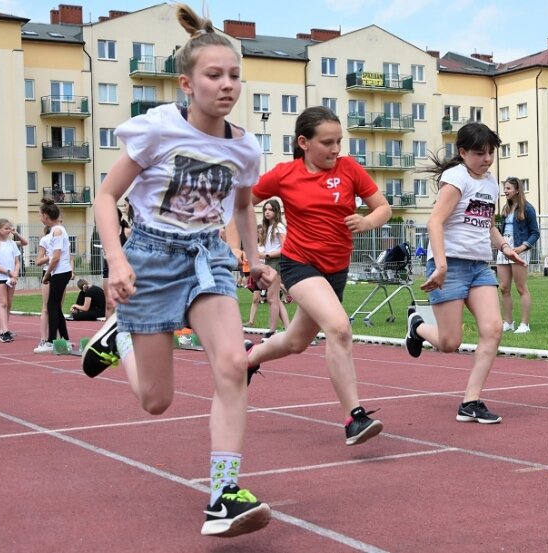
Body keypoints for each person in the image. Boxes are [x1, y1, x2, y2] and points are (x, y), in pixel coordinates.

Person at [80, 4, 274, 538]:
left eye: (234, 75)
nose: (227, 84)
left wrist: (253, 259)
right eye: (214, 75)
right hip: (148, 258)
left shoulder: (245, 146)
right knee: (156, 401)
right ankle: (118, 337)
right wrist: (116, 260)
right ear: (187, 83)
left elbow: (241, 206)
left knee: (234, 364)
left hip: (207, 256)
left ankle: (223, 494)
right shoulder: (156, 130)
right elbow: (105, 196)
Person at [244, 105, 392, 446]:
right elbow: (242, 203)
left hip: (336, 269)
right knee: (339, 328)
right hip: (300, 265)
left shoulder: (350, 169)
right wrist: (244, 252)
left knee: (296, 341)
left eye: (339, 141)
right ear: (304, 142)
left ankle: (248, 359)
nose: (336, 149)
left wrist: (367, 221)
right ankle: (354, 417)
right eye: (327, 142)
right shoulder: (284, 174)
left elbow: (382, 208)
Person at [403, 122, 525, 424]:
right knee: (449, 343)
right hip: (451, 264)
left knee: (493, 329)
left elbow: (489, 225)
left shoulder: (491, 183)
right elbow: (434, 222)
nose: (487, 159)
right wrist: (441, 265)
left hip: (479, 266)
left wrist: (505, 247)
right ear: (463, 152)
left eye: (491, 153)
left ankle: (471, 401)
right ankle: (417, 326)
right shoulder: (455, 179)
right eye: (479, 153)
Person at [495, 176, 539, 334]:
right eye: (504, 188)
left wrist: (521, 248)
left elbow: (535, 233)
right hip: (504, 247)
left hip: (519, 248)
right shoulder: (506, 209)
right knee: (504, 287)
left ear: (517, 190)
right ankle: (508, 322)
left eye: (508, 188)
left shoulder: (528, 208)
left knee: (521, 288)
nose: (505, 191)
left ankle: (524, 325)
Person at [0, 218, 27, 342]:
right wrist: (9, 272)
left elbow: (17, 261)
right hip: (0, 277)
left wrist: (15, 274)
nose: (9, 230)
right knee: (3, 303)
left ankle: (4, 328)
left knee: (9, 303)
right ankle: (4, 331)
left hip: (11, 277)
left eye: (10, 228)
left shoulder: (12, 243)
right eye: (6, 228)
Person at [40, 199, 74, 345]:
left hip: (61, 272)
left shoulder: (58, 231)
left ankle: (51, 340)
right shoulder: (56, 230)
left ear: (46, 216)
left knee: (51, 306)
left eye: (40, 215)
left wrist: (46, 275)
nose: (40, 218)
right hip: (60, 272)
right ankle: (65, 339)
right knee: (55, 307)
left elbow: (56, 257)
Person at [259, 199, 290, 340]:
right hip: (268, 262)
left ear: (276, 212)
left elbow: (284, 249)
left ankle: (272, 330)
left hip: (275, 262)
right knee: (274, 298)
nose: (267, 212)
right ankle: (289, 329)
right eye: (265, 209)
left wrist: (266, 254)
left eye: (270, 209)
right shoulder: (268, 227)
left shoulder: (279, 227)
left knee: (271, 299)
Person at [102, 198, 133, 317]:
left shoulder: (127, 231)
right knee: (109, 304)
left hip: (123, 271)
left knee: (124, 304)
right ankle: (109, 333)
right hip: (108, 270)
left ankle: (125, 333)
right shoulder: (107, 232)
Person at [33, 226, 54, 352]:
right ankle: (43, 339)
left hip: (61, 274)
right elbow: (38, 261)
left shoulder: (63, 237)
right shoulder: (45, 240)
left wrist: (71, 271)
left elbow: (70, 257)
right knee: (46, 307)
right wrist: (50, 257)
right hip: (48, 273)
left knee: (57, 308)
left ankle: (57, 339)